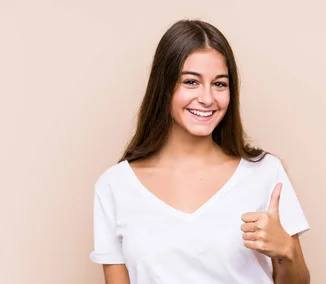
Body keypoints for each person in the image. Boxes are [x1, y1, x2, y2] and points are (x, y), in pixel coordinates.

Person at [89, 19, 311, 284]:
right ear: (164, 86)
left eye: (219, 84)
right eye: (191, 82)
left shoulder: (265, 172)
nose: (207, 98)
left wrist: (285, 250)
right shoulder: (115, 186)